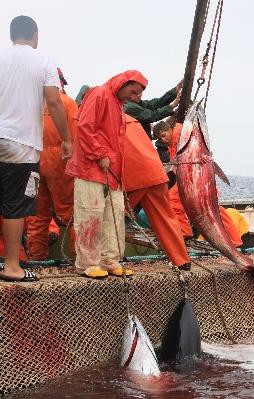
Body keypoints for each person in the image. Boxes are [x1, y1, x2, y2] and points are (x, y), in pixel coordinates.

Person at [0, 16, 73, 282]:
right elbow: (53, 102)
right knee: (16, 206)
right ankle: (12, 267)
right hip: (20, 145)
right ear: (35, 35)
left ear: (10, 36)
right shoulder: (43, 61)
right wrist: (67, 140)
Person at [66, 70, 148, 278]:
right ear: (124, 82)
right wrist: (99, 153)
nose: (132, 97)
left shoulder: (118, 104)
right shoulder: (100, 94)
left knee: (114, 216)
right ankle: (87, 264)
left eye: (137, 94)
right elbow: (85, 127)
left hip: (112, 172)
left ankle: (110, 260)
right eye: (132, 91)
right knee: (90, 215)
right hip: (90, 168)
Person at [123, 115, 191, 270]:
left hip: (134, 176)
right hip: (156, 173)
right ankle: (182, 260)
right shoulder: (133, 121)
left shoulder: (108, 120)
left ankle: (103, 260)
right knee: (166, 217)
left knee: (112, 216)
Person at [27, 68, 78, 260]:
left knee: (37, 214)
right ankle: (78, 258)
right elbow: (76, 139)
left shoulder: (30, 105)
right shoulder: (67, 103)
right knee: (70, 211)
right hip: (61, 161)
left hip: (32, 162)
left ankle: (37, 257)